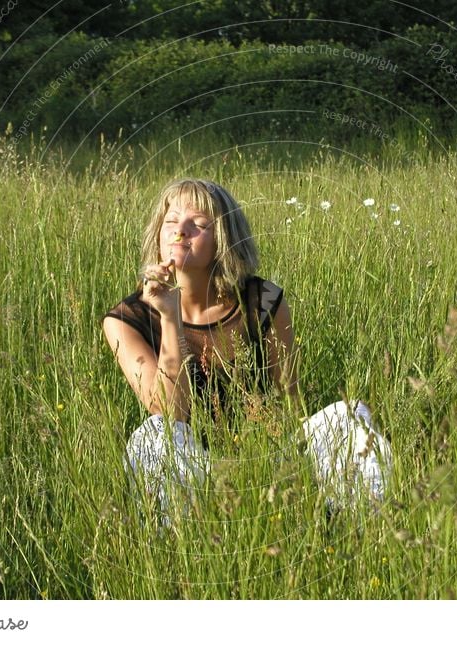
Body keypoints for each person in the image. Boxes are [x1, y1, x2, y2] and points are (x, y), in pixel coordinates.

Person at [99, 178, 390, 516]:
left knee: (348, 415)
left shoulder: (262, 301)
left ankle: (355, 522)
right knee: (150, 438)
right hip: (191, 469)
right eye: (171, 221)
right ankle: (183, 539)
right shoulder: (125, 320)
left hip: (264, 457)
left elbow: (288, 404)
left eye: (198, 223)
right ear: (159, 234)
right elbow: (168, 414)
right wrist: (169, 314)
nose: (181, 230)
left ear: (224, 237)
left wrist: (254, 467)